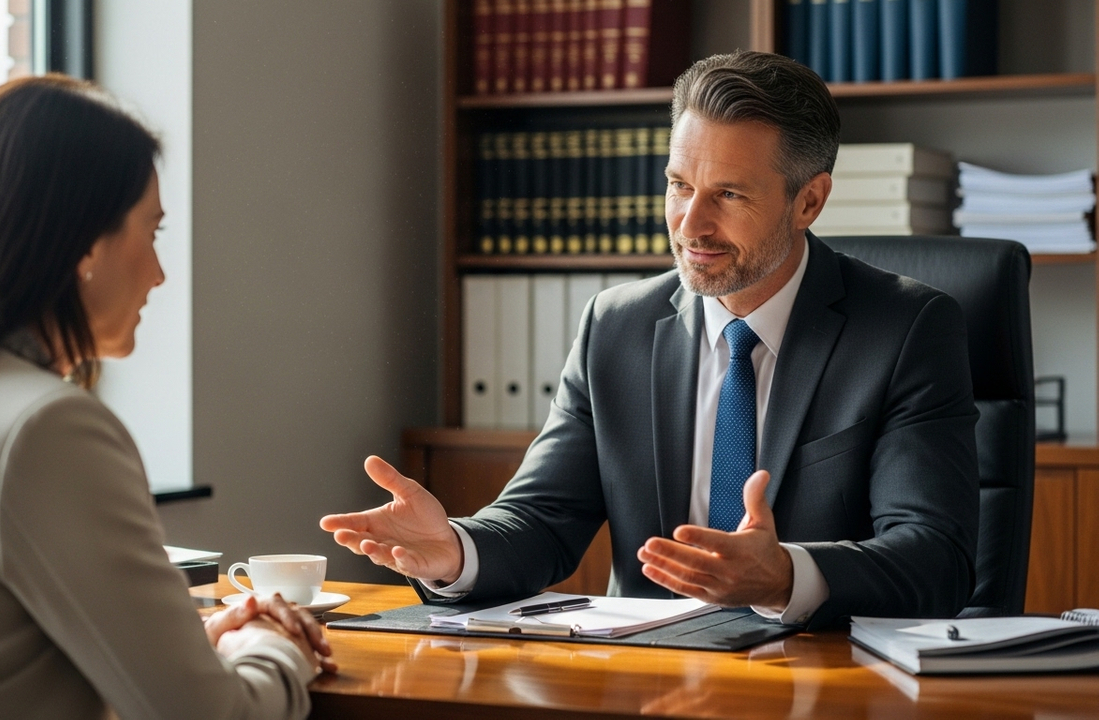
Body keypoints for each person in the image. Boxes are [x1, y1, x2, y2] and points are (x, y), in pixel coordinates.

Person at [321, 51, 979, 629]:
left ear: (809, 202)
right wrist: (456, 552)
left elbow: (933, 559)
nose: (691, 223)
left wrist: (784, 575)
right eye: (679, 185)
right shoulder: (617, 325)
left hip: (824, 683)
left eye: (728, 194)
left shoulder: (905, 330)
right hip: (651, 679)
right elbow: (543, 519)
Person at [0, 76, 334, 719]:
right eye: (152, 233)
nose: (159, 275)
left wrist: (188, 649)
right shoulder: (43, 429)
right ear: (84, 245)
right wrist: (275, 645)